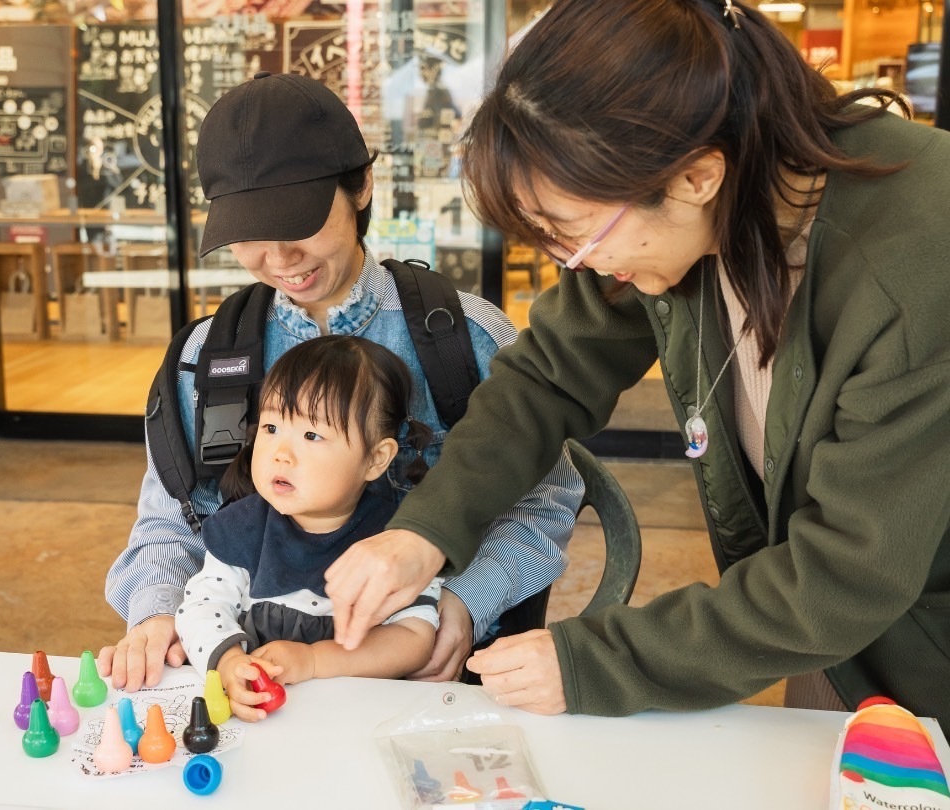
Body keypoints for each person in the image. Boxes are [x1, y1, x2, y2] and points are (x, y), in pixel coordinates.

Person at [324, 0, 950, 730]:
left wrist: (597, 660)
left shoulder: (910, 269)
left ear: (695, 179)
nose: (578, 266)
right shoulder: (699, 193)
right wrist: (423, 532)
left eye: (577, 236)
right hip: (837, 648)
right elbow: (550, 376)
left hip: (921, 653)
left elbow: (846, 572)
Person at [100, 71, 584, 691]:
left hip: (430, 683)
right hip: (257, 688)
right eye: (246, 236)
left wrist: (464, 600)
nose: (277, 260)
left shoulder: (461, 336)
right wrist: (160, 611)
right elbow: (171, 522)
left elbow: (544, 499)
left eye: (296, 224)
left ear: (361, 186)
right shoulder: (206, 356)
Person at [177, 335, 441, 722]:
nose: (280, 453)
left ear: (375, 459)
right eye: (270, 428)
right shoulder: (243, 528)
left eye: (312, 435)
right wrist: (228, 661)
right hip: (266, 723)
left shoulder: (398, 540)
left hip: (362, 722)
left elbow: (414, 638)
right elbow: (202, 606)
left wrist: (316, 660)